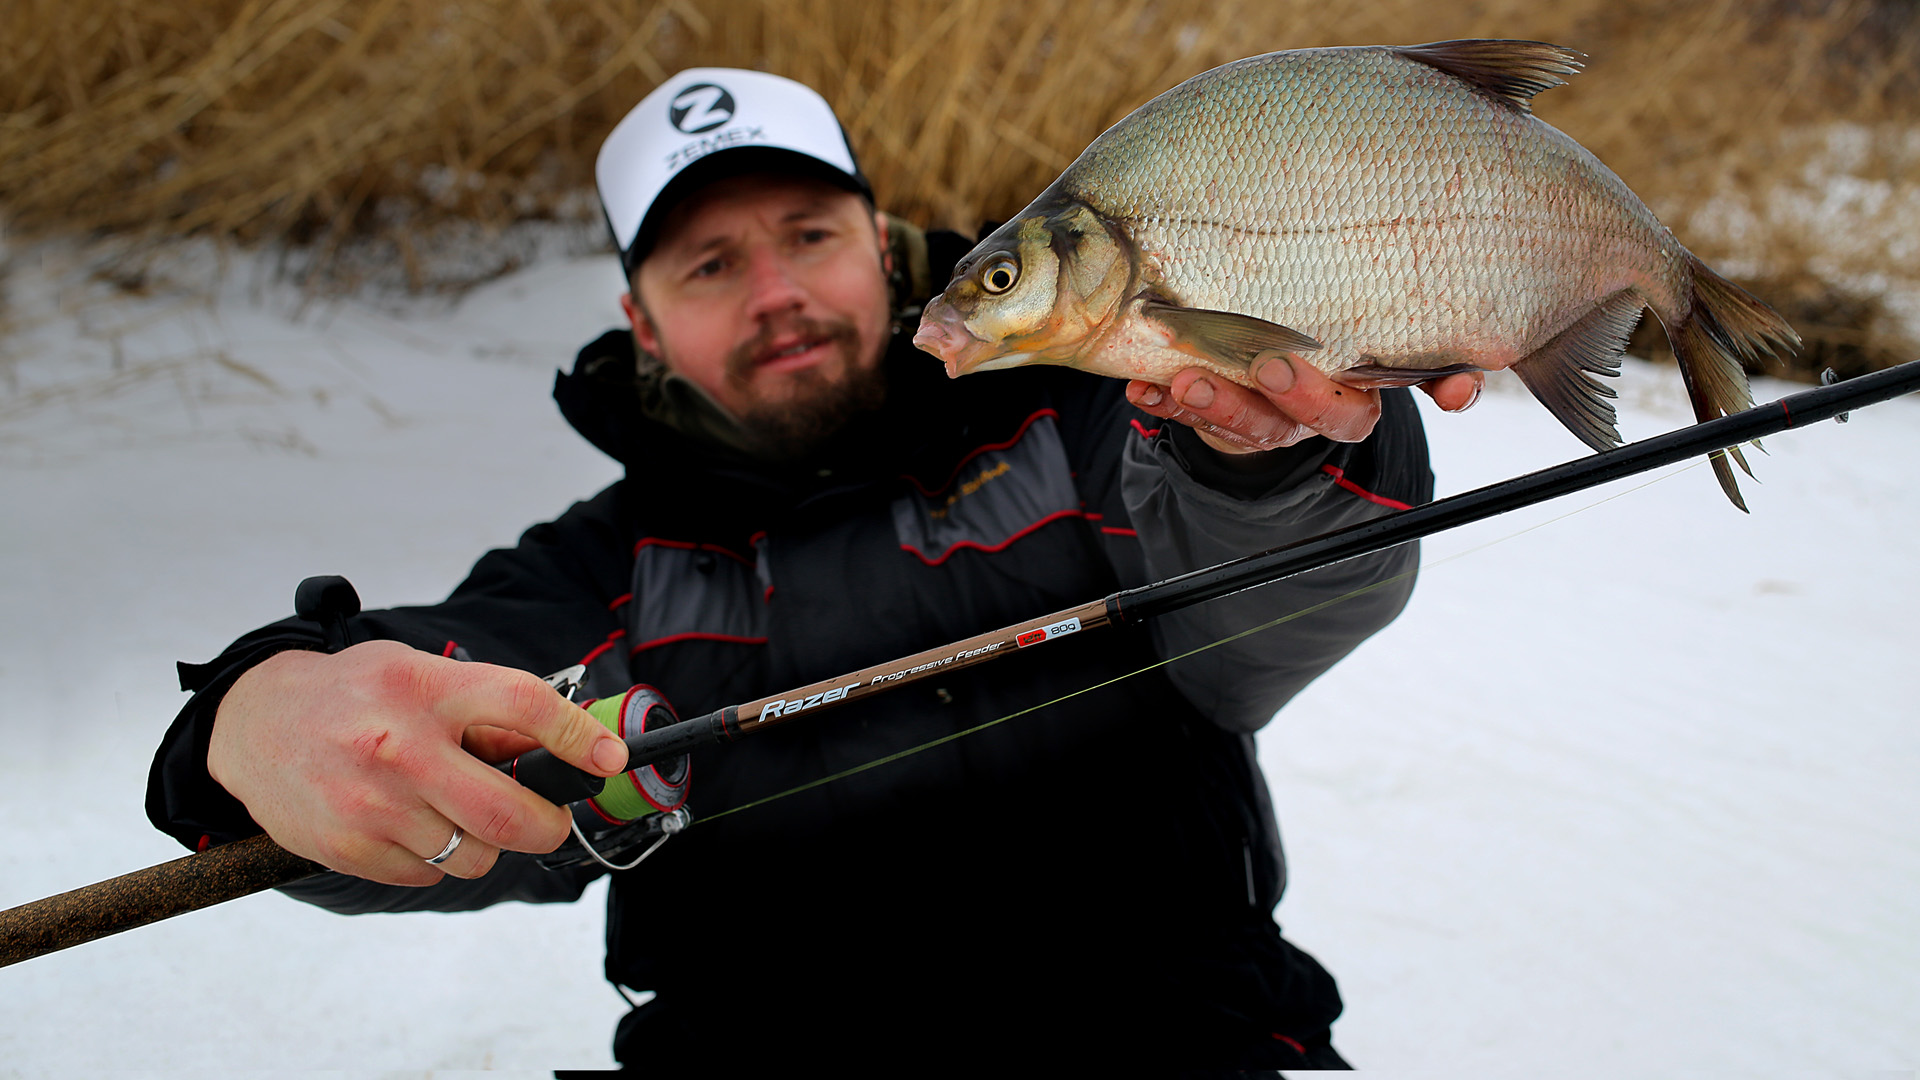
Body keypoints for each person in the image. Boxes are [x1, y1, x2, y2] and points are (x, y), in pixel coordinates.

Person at [148, 68, 1480, 1073]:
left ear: (882, 238)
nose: (775, 290)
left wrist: (1265, 464)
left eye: (808, 233)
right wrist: (259, 716)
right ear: (642, 322)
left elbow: (1277, 617)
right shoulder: (597, 568)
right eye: (711, 262)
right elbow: (425, 684)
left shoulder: (1097, 416)